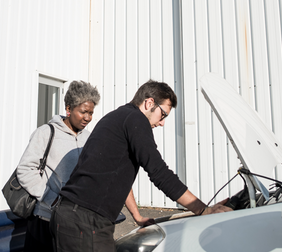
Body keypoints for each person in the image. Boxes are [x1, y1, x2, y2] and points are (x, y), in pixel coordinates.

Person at [50, 80, 233, 251]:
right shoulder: (136, 120)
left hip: (72, 216)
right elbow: (159, 172)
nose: (161, 123)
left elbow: (117, 176)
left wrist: (136, 216)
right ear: (149, 103)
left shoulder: (118, 117)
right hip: (86, 220)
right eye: (163, 114)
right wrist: (203, 210)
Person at [16, 80, 100, 252]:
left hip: (75, 222)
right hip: (44, 220)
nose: (88, 118)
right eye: (83, 112)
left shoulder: (89, 138)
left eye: (91, 113)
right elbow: (25, 170)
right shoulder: (46, 133)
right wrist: (52, 200)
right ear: (68, 109)